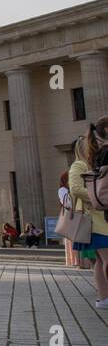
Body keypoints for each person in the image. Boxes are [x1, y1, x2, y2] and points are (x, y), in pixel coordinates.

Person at [68, 121, 108, 308]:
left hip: (101, 218)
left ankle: (103, 297)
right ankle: (103, 297)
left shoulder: (92, 163)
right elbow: (75, 189)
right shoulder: (78, 165)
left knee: (100, 261)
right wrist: (95, 196)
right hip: (93, 219)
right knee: (105, 259)